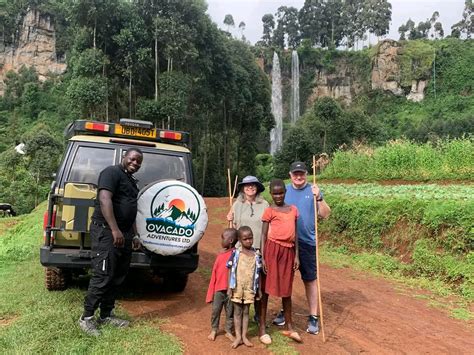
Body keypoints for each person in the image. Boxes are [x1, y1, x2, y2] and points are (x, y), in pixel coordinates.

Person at [79, 148, 143, 336]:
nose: (135, 163)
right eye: (132, 159)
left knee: (117, 276)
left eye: (139, 161)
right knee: (103, 275)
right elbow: (105, 199)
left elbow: (131, 210)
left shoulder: (131, 181)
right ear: (124, 157)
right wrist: (114, 229)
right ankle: (87, 318)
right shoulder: (111, 172)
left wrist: (135, 235)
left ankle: (106, 315)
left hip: (124, 234)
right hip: (107, 232)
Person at [273, 161, 331, 335]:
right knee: (286, 278)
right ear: (290, 175)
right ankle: (285, 311)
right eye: (295, 174)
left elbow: (326, 214)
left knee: (310, 279)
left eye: (302, 173)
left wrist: (319, 197)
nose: (299, 176)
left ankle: (313, 316)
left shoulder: (314, 191)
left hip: (307, 243)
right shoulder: (285, 191)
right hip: (287, 242)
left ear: (306, 174)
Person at [259, 179, 301, 345]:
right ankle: (262, 327)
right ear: (271, 193)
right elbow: (263, 235)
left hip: (288, 251)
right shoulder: (269, 211)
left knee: (287, 289)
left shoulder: (293, 210)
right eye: (275, 193)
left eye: (281, 192)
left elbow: (296, 235)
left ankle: (290, 326)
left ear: (285, 192)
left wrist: (297, 255)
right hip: (272, 250)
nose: (278, 196)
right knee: (266, 289)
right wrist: (263, 257)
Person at [226, 175, 268, 322]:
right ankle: (234, 317)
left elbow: (268, 227)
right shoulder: (237, 205)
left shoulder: (264, 205)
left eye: (253, 185)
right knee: (239, 283)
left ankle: (258, 315)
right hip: (241, 252)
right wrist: (230, 220)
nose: (250, 187)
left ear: (257, 188)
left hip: (258, 250)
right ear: (243, 188)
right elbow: (232, 229)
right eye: (247, 185)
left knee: (257, 284)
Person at [227, 226, 262, 349]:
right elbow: (231, 270)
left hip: (249, 288)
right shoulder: (236, 253)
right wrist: (229, 287)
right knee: (237, 312)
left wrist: (259, 290)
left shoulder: (257, 255)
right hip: (237, 287)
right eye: (245, 239)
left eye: (250, 238)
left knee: (246, 311)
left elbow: (259, 274)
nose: (248, 241)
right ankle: (237, 337)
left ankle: (244, 336)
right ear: (240, 240)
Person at [206, 228, 238, 342]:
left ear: (230, 240)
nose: (221, 241)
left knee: (230, 312)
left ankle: (228, 331)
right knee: (216, 310)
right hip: (219, 289)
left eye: (223, 238)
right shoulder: (220, 256)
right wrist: (210, 294)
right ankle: (214, 329)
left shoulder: (236, 255)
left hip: (231, 290)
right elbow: (214, 275)